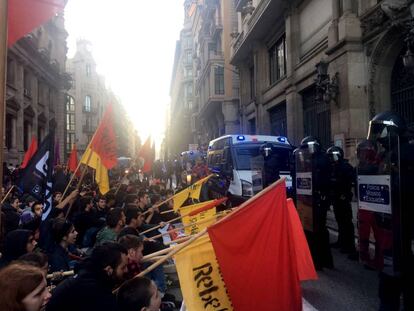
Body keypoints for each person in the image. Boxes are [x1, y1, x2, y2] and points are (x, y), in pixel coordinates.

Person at [46, 242, 128, 311]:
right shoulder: (95, 292)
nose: (126, 270)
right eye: (123, 267)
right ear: (109, 270)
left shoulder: (88, 274)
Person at [326, 146, 357, 259]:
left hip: (343, 197)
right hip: (336, 197)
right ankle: (341, 241)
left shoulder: (345, 167)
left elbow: (349, 181)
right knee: (339, 220)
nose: (331, 159)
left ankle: (349, 245)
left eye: (332, 156)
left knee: (346, 221)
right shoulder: (334, 167)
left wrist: (345, 193)